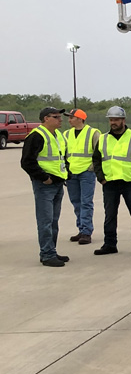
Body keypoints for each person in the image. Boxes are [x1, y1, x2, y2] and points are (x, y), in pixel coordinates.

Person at [92, 106, 131, 256]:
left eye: (116, 120)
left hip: (129, 183)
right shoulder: (103, 138)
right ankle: (110, 244)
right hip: (110, 183)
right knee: (110, 215)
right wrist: (101, 178)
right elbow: (96, 160)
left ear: (123, 120)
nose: (113, 122)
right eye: (111, 120)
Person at [20, 106, 71, 267]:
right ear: (46, 119)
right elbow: (27, 162)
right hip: (45, 185)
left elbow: (62, 157)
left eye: (60, 117)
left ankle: (51, 251)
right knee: (46, 221)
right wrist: (44, 178)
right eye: (56, 117)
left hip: (58, 183)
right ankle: (47, 254)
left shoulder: (58, 135)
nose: (60, 120)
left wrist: (66, 173)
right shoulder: (36, 136)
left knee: (54, 221)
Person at [64, 109, 100, 246]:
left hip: (86, 172)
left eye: (71, 117)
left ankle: (86, 231)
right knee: (76, 202)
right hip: (71, 173)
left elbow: (99, 152)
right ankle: (81, 228)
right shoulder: (67, 134)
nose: (69, 120)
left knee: (86, 202)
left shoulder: (93, 133)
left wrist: (92, 168)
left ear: (80, 119)